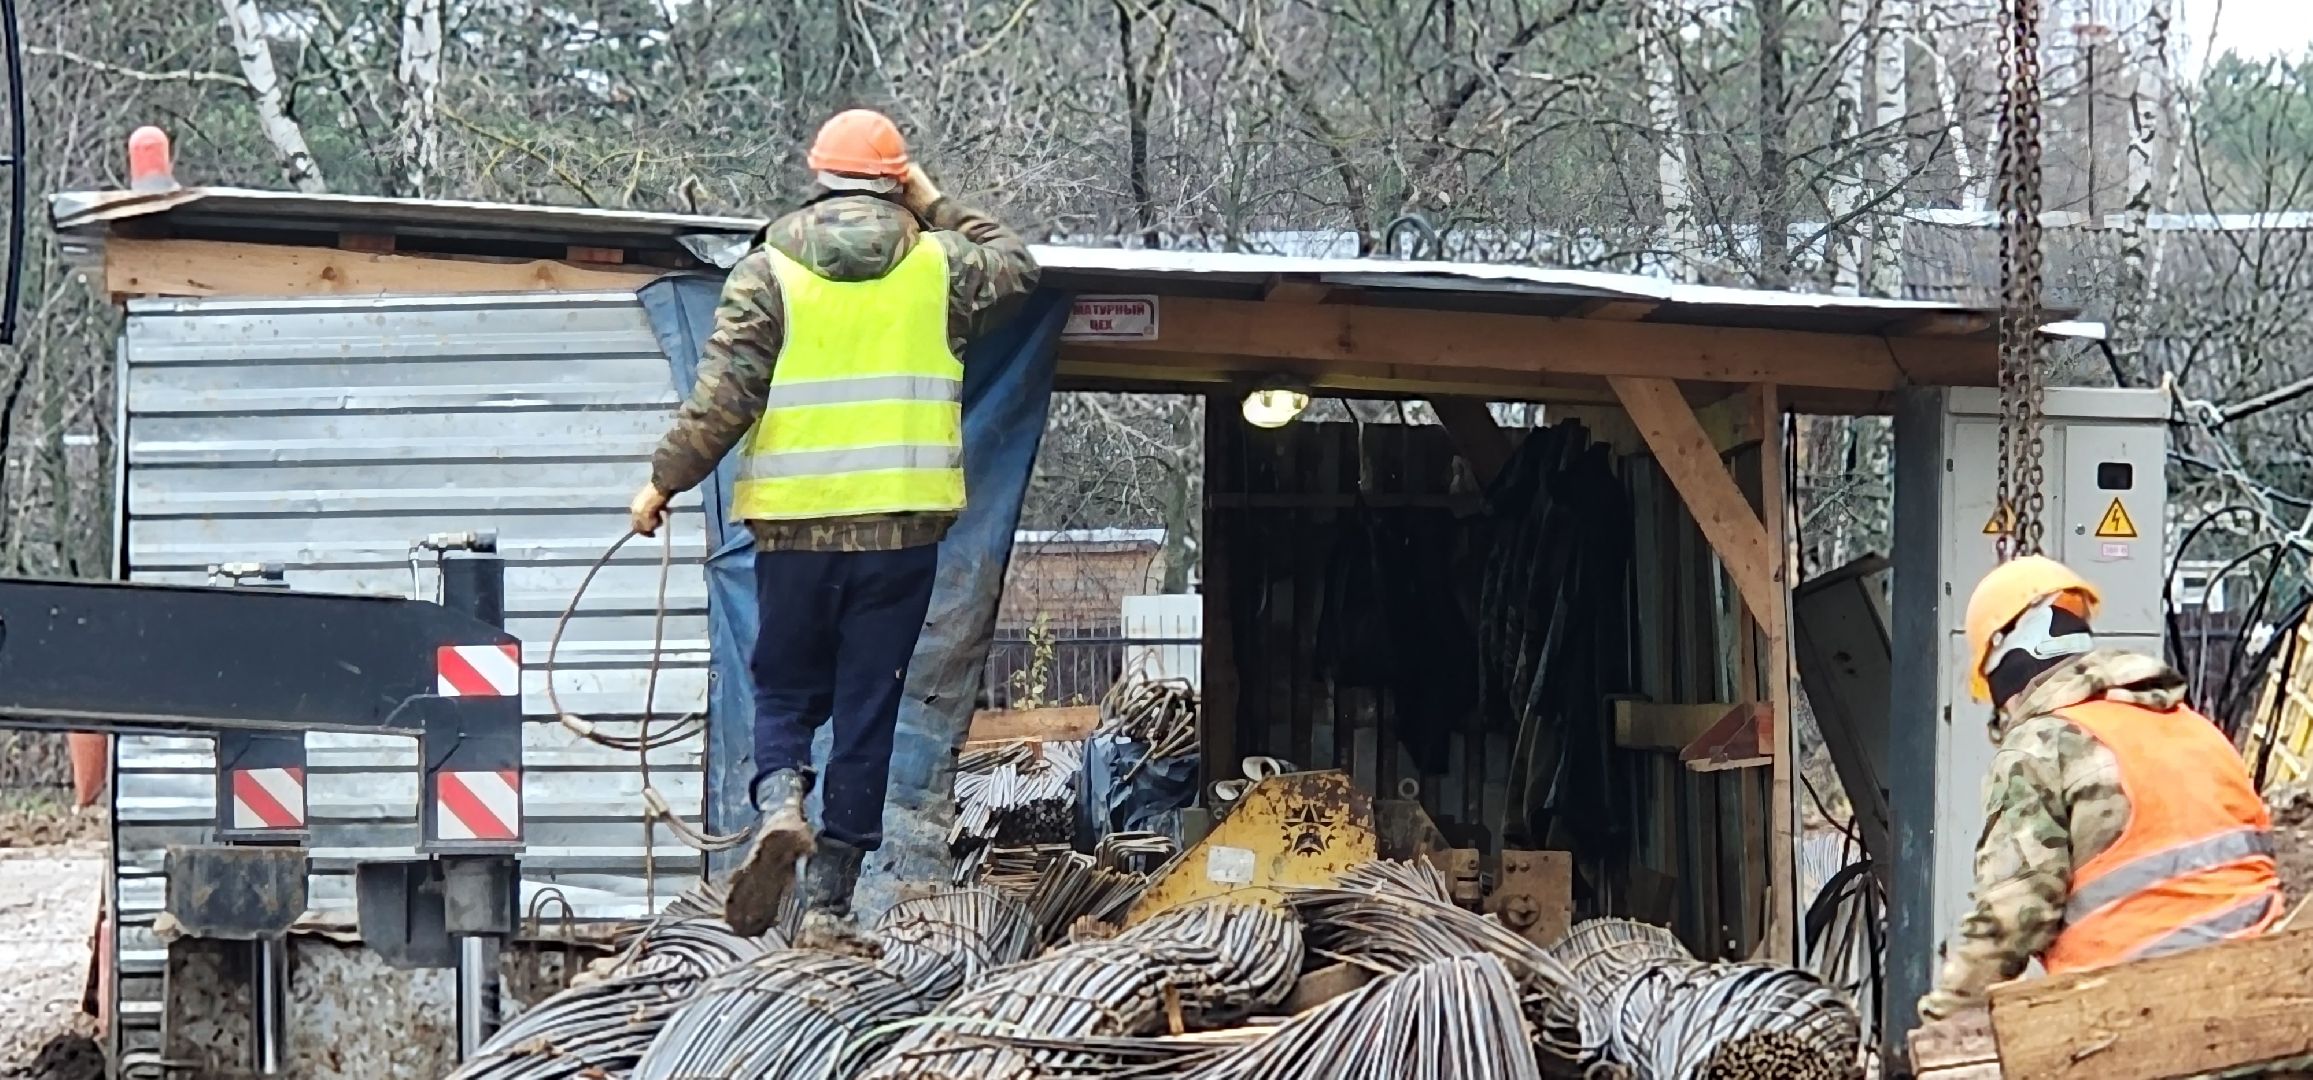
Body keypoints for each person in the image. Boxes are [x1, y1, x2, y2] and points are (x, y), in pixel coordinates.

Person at [629, 108, 1039, 937]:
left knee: (782, 684)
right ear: (894, 178)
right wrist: (933, 198)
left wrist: (661, 482)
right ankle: (827, 906)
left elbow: (723, 401)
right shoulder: (940, 264)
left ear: (818, 173)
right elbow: (1018, 265)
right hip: (899, 533)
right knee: (866, 709)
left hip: (794, 531)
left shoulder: (766, 269)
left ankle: (781, 798)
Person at [1918, 555, 2285, 1020]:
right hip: (2262, 991)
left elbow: (2014, 913)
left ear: (2003, 661)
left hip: (2137, 1007)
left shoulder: (2043, 743)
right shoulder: (2195, 728)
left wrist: (1943, 1019)